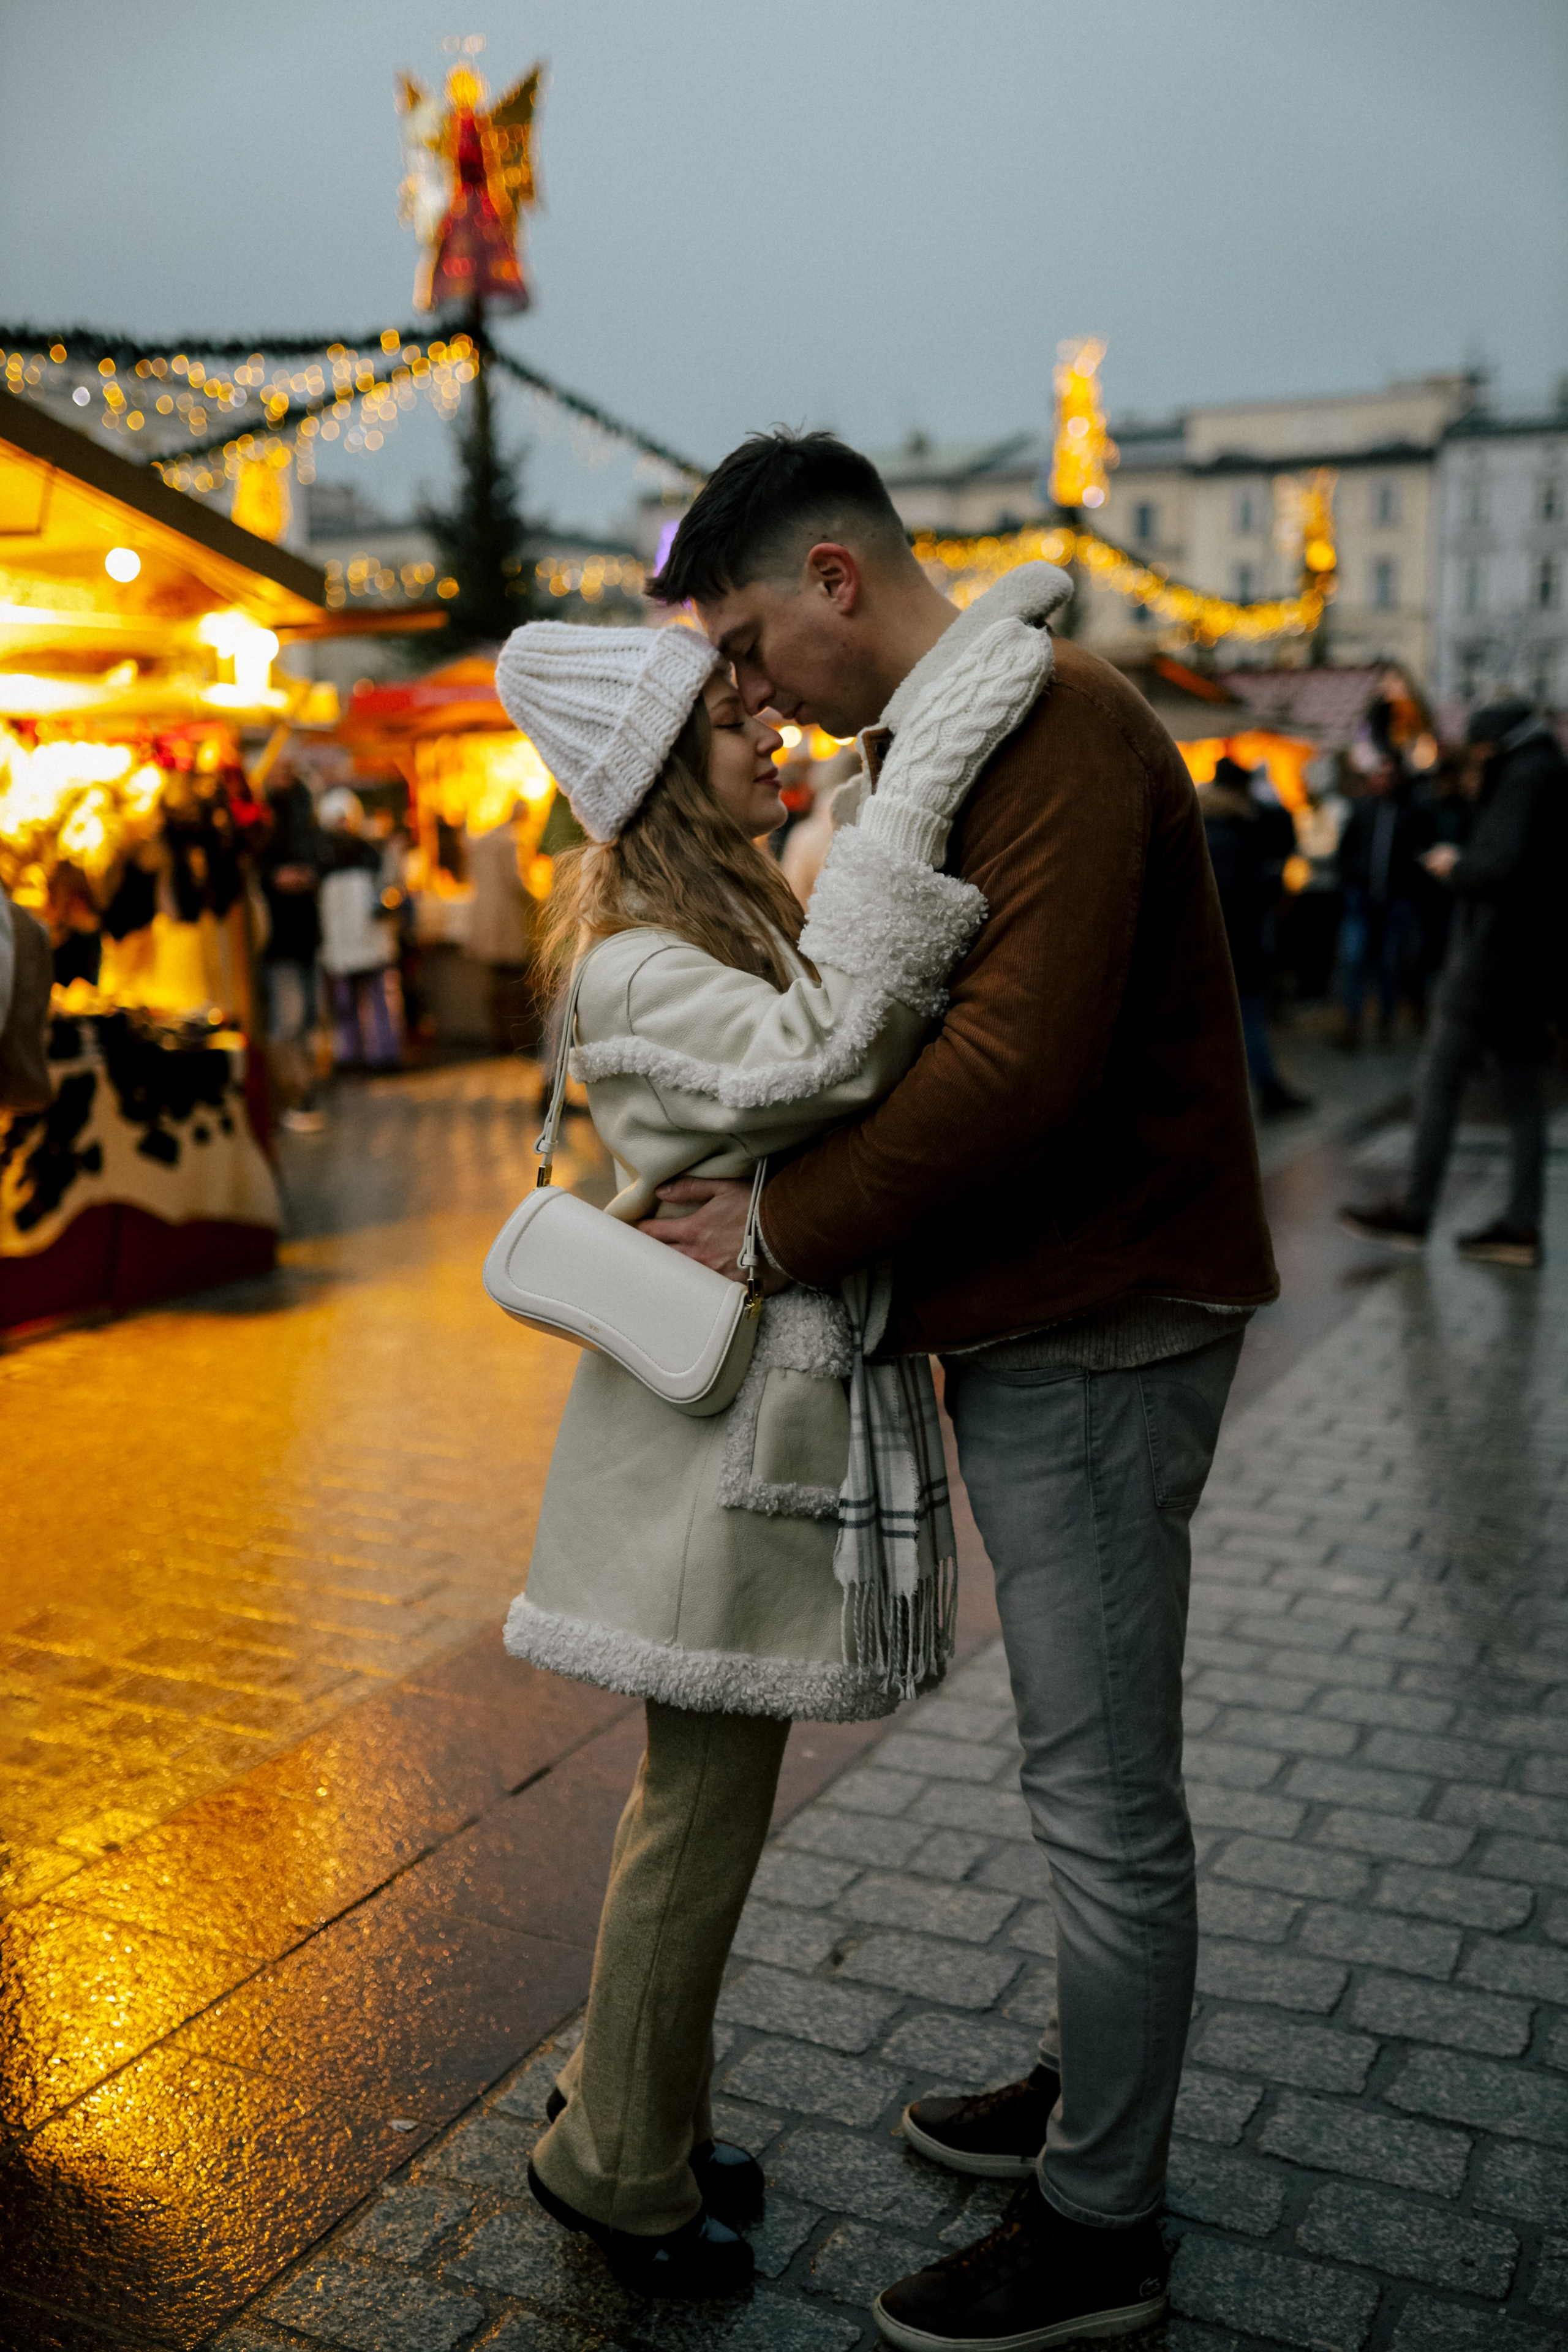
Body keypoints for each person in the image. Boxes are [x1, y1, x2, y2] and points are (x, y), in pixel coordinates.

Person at [643, 431, 1277, 2351]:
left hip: (1096, 1315)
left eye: (746, 643)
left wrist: (775, 1225)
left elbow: (1007, 1077)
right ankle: (1092, 2090)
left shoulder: (1047, 727)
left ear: (834, 577)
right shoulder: (976, 729)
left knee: (1098, 1791)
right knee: (1077, 1766)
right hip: (1056, 1307)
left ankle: (1103, 2226)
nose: (744, 695)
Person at [491, 605, 1046, 2298]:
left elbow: (829, 1069)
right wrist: (918, 791)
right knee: (701, 1812)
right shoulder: (639, 955)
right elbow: (838, 1060)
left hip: (727, 1437)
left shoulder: (704, 919)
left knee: (699, 1805)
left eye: (761, 705)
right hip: (705, 1448)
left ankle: (629, 2098)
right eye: (737, 717)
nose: (772, 729)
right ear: (661, 769)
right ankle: (615, 2168)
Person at [1338, 698, 1566, 1269]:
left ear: (1495, 743)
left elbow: (1498, 866)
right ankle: (1521, 1224)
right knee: (1521, 1092)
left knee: (1439, 1078)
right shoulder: (1544, 768)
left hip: (1493, 957)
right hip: (1528, 961)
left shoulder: (1523, 776)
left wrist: (1455, 867)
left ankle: (1415, 1212)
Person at [1197, 753, 1312, 1115]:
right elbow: (1235, 893)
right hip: (1236, 942)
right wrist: (1270, 882)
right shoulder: (1233, 830)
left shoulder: (1202, 822)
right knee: (1247, 1017)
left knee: (1225, 1020)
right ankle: (1264, 1091)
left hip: (1209, 941)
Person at [1333, 752, 1434, 1046]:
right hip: (1361, 899)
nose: (1383, 780)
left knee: (1391, 965)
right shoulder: (1363, 809)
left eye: (1389, 775)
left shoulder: (1414, 812)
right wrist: (1350, 881)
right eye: (1379, 774)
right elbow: (1346, 849)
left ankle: (1385, 1022)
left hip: (1397, 901)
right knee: (1354, 961)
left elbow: (1425, 854)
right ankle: (1351, 1023)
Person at [258, 768, 326, 1133]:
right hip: (281, 940)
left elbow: (320, 860)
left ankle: (302, 1090)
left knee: (303, 1018)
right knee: (290, 1019)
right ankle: (294, 1094)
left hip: (301, 937)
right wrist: (275, 878)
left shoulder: (301, 817)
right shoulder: (266, 819)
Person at [317, 788, 405, 1071]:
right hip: (341, 943)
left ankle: (384, 1053)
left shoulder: (370, 852)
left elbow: (388, 887)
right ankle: (350, 1053)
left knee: (380, 998)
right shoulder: (323, 856)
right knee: (346, 1003)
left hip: (369, 938)